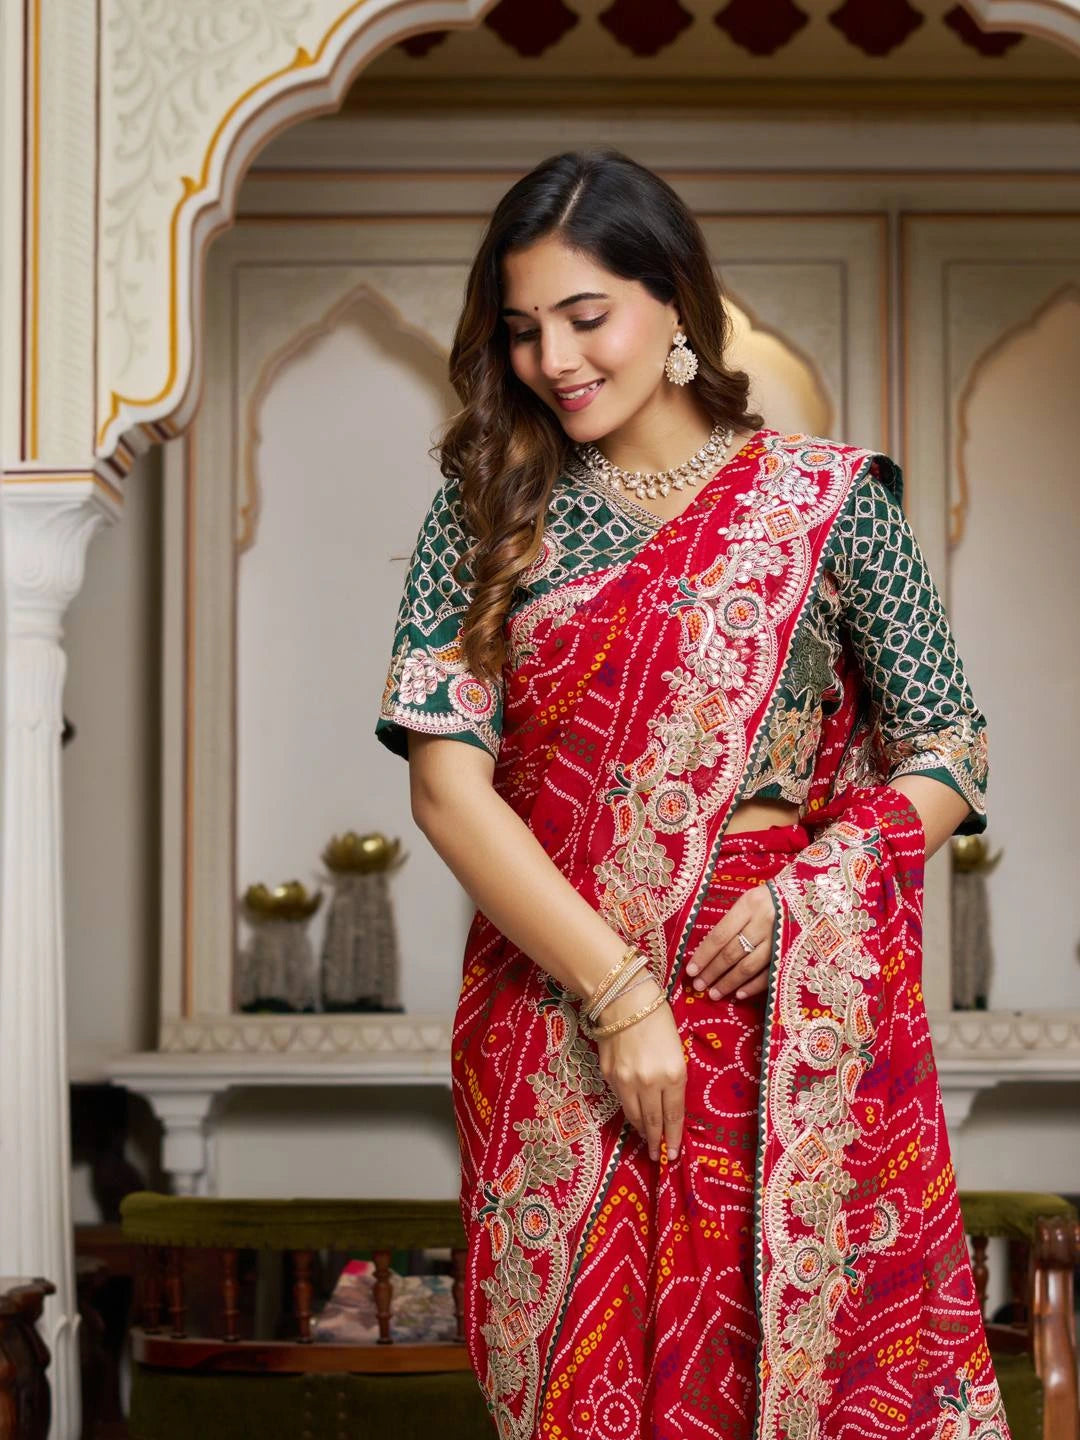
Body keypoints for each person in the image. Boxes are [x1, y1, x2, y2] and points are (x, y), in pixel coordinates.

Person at [375, 150, 1004, 1440]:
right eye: (523, 328)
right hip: (560, 1002)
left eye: (586, 315)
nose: (555, 358)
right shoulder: (485, 507)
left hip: (771, 1004)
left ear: (678, 307)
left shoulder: (830, 503)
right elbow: (449, 787)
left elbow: (949, 751)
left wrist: (814, 889)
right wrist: (616, 995)